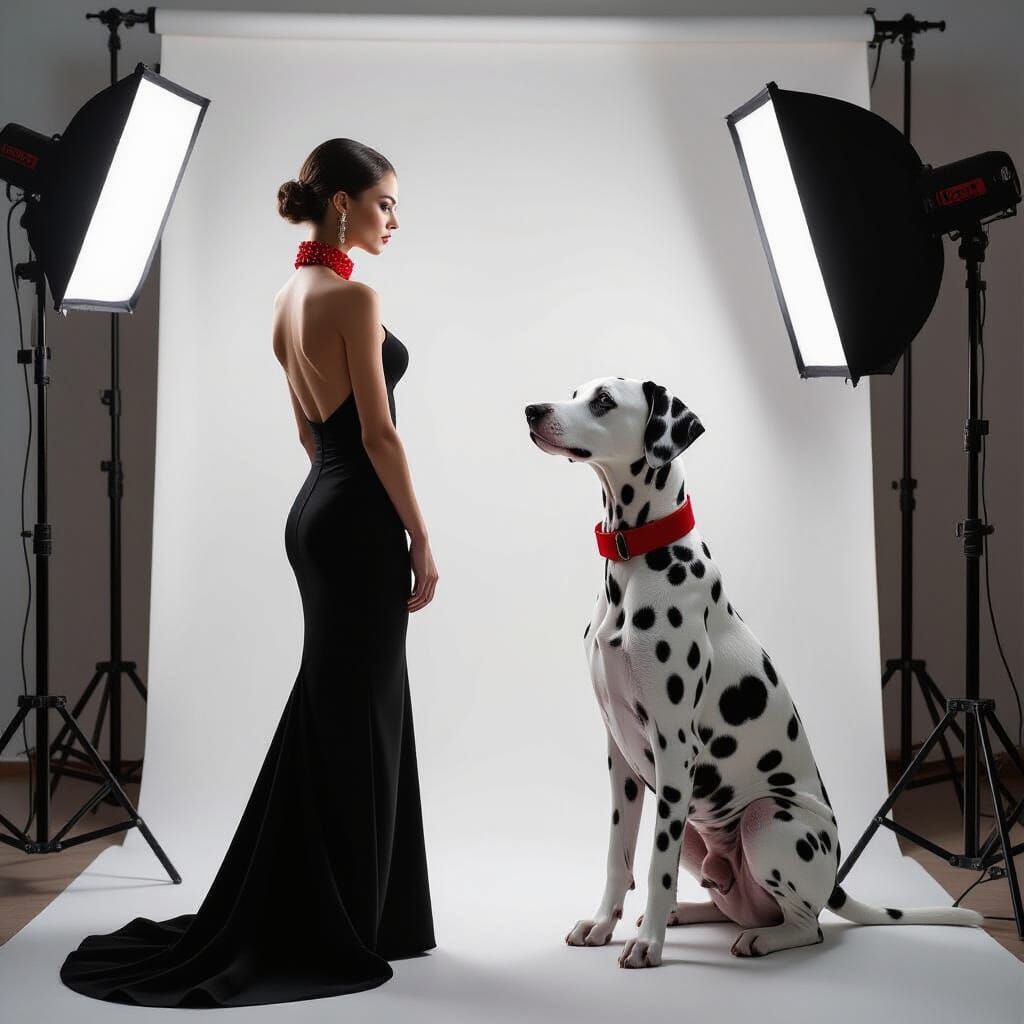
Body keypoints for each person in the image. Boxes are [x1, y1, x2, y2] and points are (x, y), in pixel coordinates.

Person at [59, 138, 439, 1008]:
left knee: (343, 707)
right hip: (357, 520)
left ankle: (367, 910)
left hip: (315, 509)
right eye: (385, 202)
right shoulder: (352, 295)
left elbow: (310, 434)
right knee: (357, 710)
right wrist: (420, 534)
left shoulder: (287, 296)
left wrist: (352, 500)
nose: (393, 220)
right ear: (340, 202)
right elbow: (379, 435)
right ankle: (342, 918)